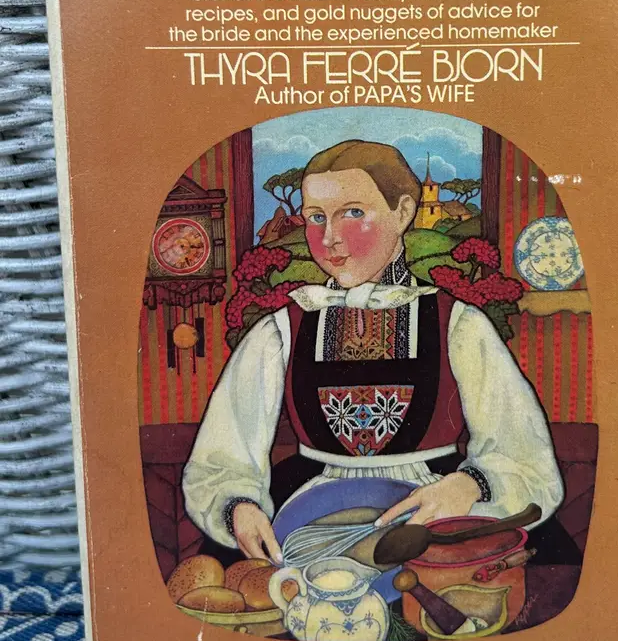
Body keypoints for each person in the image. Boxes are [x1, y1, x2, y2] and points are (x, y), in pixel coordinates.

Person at [183, 140, 565, 566]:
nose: (330, 238)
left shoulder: (459, 324)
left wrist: (470, 485)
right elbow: (222, 457)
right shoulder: (279, 331)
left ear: (403, 213)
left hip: (433, 518)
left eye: (353, 213)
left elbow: (524, 458)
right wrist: (239, 507)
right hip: (310, 518)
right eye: (316, 217)